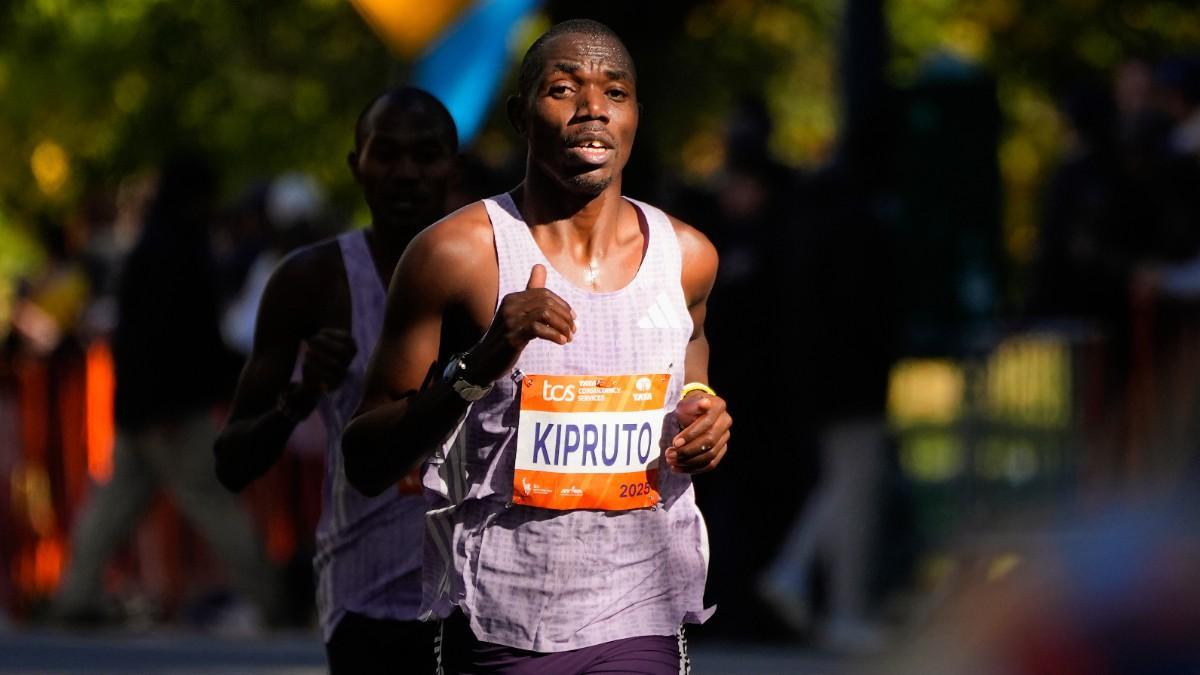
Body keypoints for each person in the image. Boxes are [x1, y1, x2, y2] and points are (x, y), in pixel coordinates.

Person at [342, 19, 732, 673]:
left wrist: (698, 400)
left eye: (615, 92)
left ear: (635, 113)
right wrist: (482, 361)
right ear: (520, 116)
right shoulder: (457, 254)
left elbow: (690, 339)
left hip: (640, 611)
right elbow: (366, 456)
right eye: (562, 89)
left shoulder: (687, 255)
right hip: (504, 617)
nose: (592, 111)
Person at [213, 87, 459, 673]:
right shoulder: (313, 281)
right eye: (387, 154)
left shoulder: (504, 271)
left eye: (425, 156)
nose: (405, 173)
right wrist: (297, 402)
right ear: (358, 165)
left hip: (486, 594)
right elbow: (231, 462)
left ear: (453, 166)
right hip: (365, 593)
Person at [51, 152, 278, 628]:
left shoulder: (153, 246)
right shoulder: (179, 250)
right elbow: (178, 335)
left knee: (115, 504)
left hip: (142, 406)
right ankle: (267, 596)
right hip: (172, 408)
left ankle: (75, 596)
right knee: (211, 500)